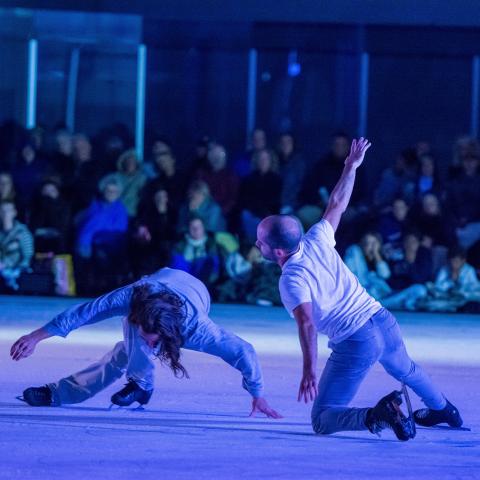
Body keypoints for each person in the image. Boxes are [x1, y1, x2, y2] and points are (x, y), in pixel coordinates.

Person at [255, 137, 462, 441]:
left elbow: (307, 323)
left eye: (261, 242)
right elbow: (337, 203)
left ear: (277, 253)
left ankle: (380, 414)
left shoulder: (291, 278)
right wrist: (350, 166)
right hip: (380, 318)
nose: (256, 244)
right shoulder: (316, 238)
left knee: (323, 419)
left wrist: (310, 369)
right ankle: (444, 409)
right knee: (405, 368)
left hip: (356, 340)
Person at [10, 267, 281, 419]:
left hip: (196, 292)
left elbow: (243, 350)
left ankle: (140, 383)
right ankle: (137, 384)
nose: (148, 346)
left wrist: (257, 393)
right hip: (157, 282)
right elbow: (85, 312)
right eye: (148, 341)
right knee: (131, 337)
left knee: (129, 348)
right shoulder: (128, 298)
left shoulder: (196, 329)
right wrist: (35, 337)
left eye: (154, 342)